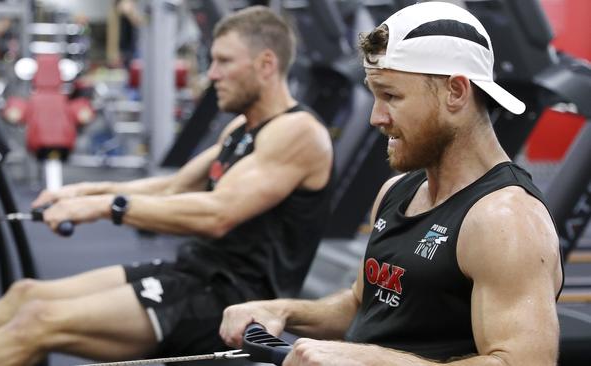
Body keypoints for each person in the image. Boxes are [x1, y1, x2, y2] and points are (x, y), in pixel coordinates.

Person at [0, 6, 333, 365]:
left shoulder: (297, 132)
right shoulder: (241, 127)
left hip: (230, 300)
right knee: (26, 294)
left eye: (224, 61)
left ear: (266, 64)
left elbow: (218, 214)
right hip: (195, 271)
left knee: (39, 321)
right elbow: (172, 187)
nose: (211, 73)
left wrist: (106, 208)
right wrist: (84, 193)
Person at [220, 2, 563, 365]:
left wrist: (368, 361)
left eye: (392, 96)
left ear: (456, 92)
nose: (375, 117)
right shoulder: (397, 191)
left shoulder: (505, 220)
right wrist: (284, 311)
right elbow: (362, 305)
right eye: (374, 95)